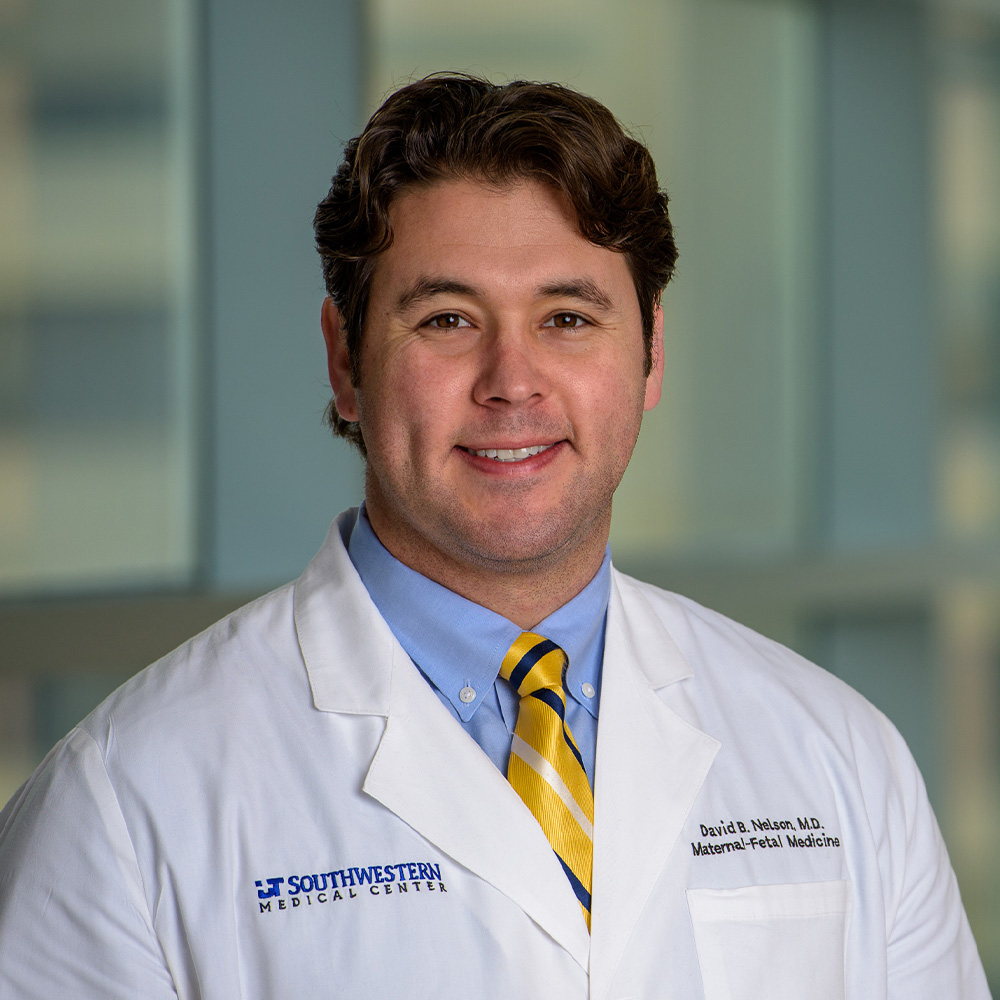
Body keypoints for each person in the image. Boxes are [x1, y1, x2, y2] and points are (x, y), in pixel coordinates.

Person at [0, 74, 989, 999]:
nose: (511, 381)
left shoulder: (839, 755)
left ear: (649, 353)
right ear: (345, 362)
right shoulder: (126, 805)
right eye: (445, 319)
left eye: (566, 316)